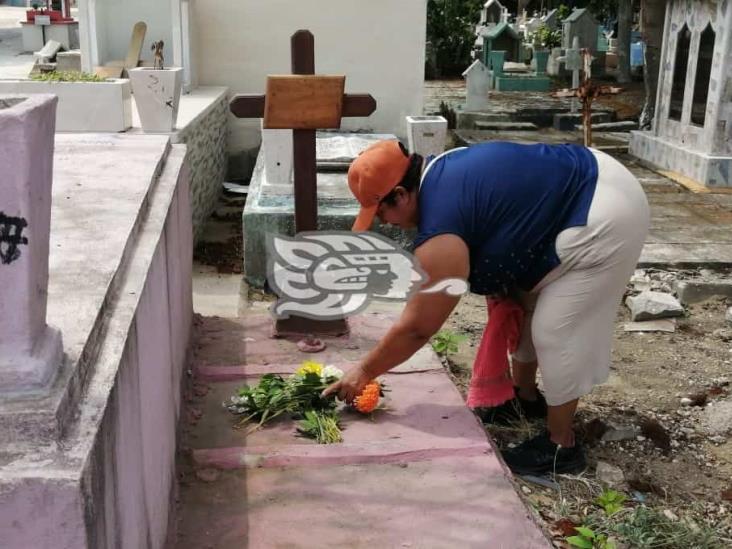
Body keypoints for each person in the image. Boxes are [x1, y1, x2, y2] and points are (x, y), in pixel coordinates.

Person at [323, 139, 650, 475]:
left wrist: (364, 371)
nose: (384, 222)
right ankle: (524, 397)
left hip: (603, 209)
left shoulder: (441, 231)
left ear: (402, 195)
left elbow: (418, 326)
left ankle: (560, 447)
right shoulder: (440, 170)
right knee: (529, 303)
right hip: (586, 185)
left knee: (555, 330)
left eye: (381, 212)